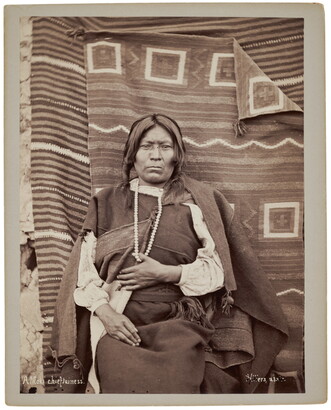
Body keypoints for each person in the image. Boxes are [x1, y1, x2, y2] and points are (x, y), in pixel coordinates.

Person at [50, 114, 289, 394]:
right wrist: (106, 314)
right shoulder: (106, 202)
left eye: (165, 147)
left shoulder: (196, 203)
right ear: (132, 155)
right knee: (119, 379)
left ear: (177, 155)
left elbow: (217, 272)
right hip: (120, 320)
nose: (155, 156)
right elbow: (84, 274)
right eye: (146, 146)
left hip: (178, 321)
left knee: (179, 382)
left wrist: (166, 272)